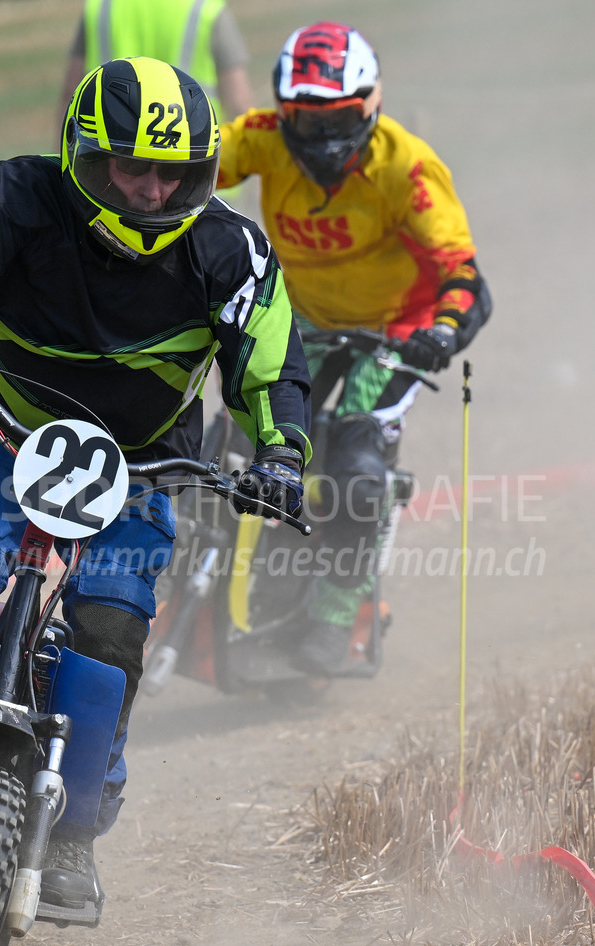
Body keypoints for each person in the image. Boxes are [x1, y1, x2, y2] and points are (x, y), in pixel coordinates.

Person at [0, 56, 311, 910]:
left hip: (143, 470)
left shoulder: (232, 249)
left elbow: (269, 363)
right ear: (84, 156)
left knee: (110, 637)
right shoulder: (20, 197)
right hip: (7, 443)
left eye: (174, 173)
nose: (153, 191)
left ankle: (72, 833)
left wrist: (280, 454)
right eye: (132, 167)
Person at [215, 21, 492, 676]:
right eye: (303, 122)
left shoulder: (411, 169)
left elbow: (465, 277)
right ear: (281, 113)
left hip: (396, 330)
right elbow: (187, 168)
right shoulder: (261, 137)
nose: (322, 139)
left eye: (337, 119)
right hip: (303, 317)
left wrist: (444, 332)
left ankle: (338, 617)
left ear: (371, 104)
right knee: (258, 440)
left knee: (357, 470)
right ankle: (250, 589)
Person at [58, 0, 253, 135]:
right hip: (193, 165)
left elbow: (71, 93)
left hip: (113, 163)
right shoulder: (206, 10)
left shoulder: (101, 8)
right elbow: (239, 103)